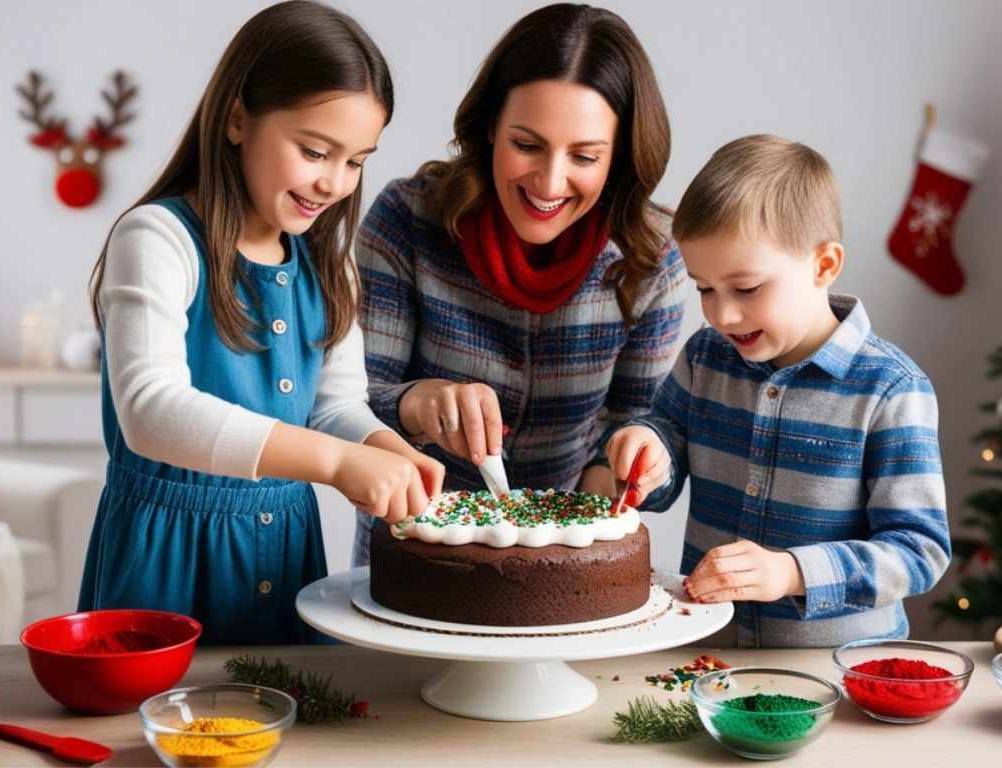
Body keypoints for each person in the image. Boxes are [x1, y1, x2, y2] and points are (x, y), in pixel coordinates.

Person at [80, 0, 444, 645]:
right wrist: (333, 463)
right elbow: (150, 410)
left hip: (285, 553)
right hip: (164, 563)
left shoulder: (331, 267)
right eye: (314, 150)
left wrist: (385, 449)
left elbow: (334, 409)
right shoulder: (159, 238)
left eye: (356, 160)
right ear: (238, 117)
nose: (334, 181)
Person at [352, 3, 687, 564]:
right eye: (527, 145)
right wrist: (420, 403)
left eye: (584, 155)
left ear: (620, 156)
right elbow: (346, 410)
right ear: (489, 127)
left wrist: (636, 464)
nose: (549, 181)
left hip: (566, 565)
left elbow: (637, 429)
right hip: (416, 559)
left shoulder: (651, 257)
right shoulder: (407, 220)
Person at [606, 134, 950, 647]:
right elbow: (665, 438)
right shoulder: (706, 357)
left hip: (836, 673)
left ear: (823, 266)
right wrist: (644, 447)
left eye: (746, 288)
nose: (722, 314)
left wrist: (793, 573)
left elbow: (919, 551)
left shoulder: (891, 390)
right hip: (711, 656)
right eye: (705, 288)